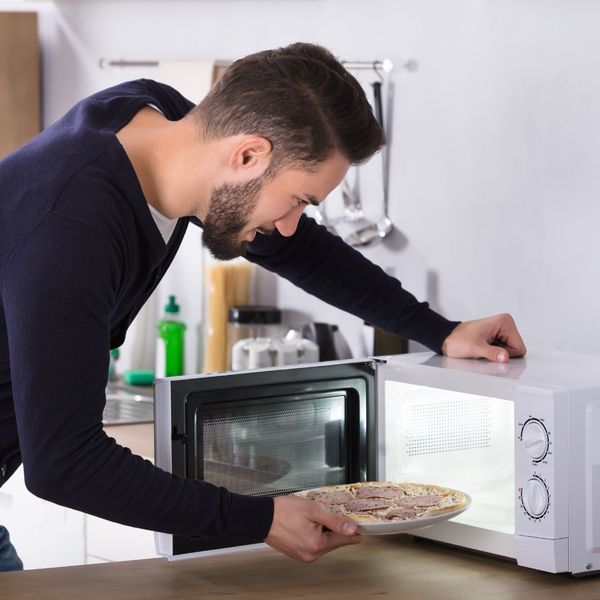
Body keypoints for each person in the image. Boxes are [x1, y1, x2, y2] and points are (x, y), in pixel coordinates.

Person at [0, 42, 526, 570]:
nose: (293, 222)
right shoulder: (72, 228)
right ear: (247, 154)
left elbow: (294, 246)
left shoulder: (162, 124)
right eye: (300, 200)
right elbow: (64, 463)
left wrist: (441, 330)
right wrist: (260, 519)